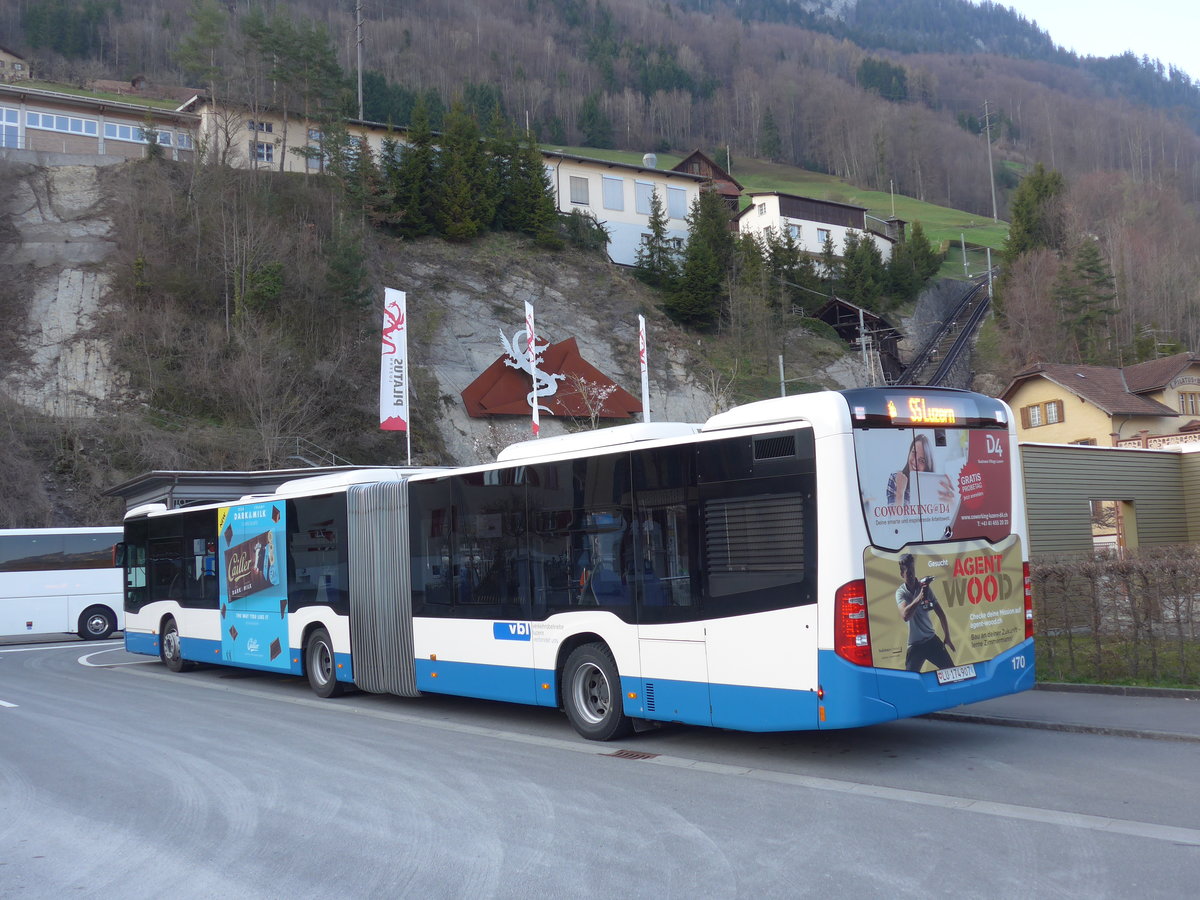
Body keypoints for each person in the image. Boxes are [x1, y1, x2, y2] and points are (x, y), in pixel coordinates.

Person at [895, 553, 956, 672]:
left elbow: (941, 613)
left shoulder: (924, 587)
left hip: (931, 640)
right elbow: (905, 616)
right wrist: (919, 597)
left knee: (952, 672)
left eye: (913, 571)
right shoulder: (900, 593)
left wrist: (947, 636)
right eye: (908, 573)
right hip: (915, 645)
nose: (912, 576)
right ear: (902, 574)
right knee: (910, 680)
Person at [886, 433, 954, 505]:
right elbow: (894, 516)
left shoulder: (935, 486)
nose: (915, 462)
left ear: (927, 465)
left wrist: (951, 504)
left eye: (922, 460)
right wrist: (900, 492)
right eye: (913, 453)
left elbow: (941, 513)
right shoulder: (895, 478)